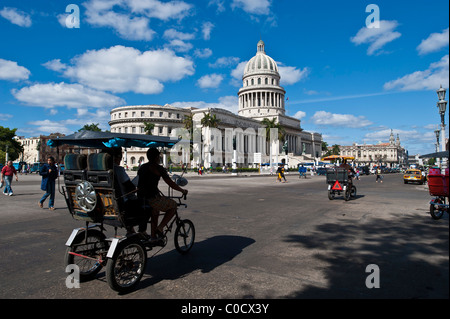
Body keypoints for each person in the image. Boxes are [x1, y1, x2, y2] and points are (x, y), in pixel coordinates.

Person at [137, 148, 188, 242]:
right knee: (173, 205)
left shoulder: (142, 167)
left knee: (155, 211)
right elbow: (170, 183)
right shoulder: (158, 168)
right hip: (152, 198)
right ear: (157, 157)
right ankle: (160, 228)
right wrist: (182, 190)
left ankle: (153, 236)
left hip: (141, 197)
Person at [104, 148, 150, 236]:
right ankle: (142, 231)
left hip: (106, 202)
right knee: (146, 205)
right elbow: (130, 187)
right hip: (121, 203)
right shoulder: (118, 169)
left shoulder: (102, 170)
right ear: (116, 158)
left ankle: (130, 229)